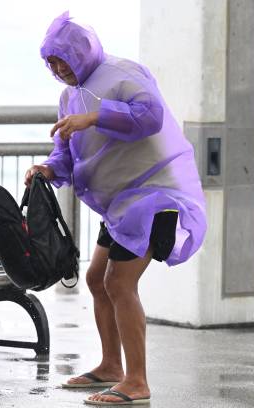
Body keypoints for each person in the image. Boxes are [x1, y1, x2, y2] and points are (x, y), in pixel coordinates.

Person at [24, 11, 207, 406]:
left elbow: (151, 117)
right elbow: (66, 153)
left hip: (156, 196)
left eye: (63, 61)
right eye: (50, 64)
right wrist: (47, 168)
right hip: (120, 204)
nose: (58, 70)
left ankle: (137, 381)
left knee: (119, 283)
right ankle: (111, 366)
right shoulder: (68, 97)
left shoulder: (123, 74)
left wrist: (94, 117)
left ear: (81, 53)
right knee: (96, 279)